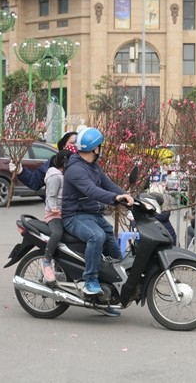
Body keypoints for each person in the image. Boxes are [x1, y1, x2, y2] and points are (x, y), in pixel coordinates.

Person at [61, 127, 134, 316]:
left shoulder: (93, 166)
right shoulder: (76, 169)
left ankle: (112, 285)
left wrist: (126, 196)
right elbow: (91, 191)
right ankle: (90, 280)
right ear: (94, 148)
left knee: (109, 236)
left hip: (92, 215)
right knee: (97, 236)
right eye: (99, 146)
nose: (101, 149)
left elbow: (108, 184)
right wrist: (114, 198)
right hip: (74, 216)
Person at [41, 148, 73, 284]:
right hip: (53, 214)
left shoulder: (64, 175)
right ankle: (46, 260)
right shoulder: (55, 176)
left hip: (64, 213)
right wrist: (53, 208)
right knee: (57, 233)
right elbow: (51, 196)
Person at [11, 131, 78, 191]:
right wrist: (21, 171)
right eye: (72, 143)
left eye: (78, 143)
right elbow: (35, 182)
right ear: (64, 146)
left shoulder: (85, 162)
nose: (75, 146)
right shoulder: (54, 162)